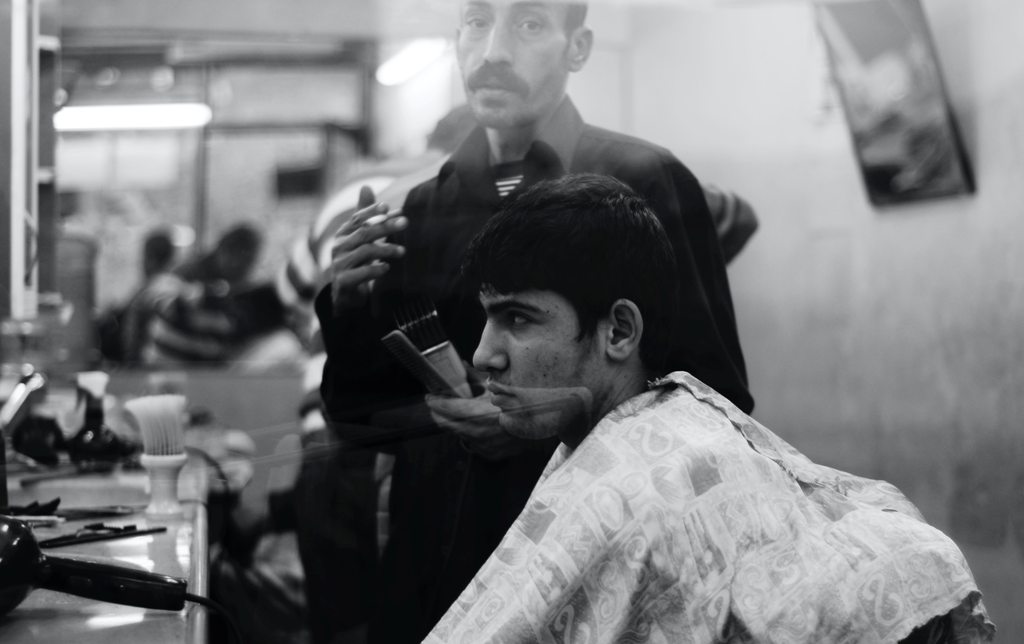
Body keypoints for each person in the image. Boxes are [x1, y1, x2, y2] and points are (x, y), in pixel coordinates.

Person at [318, 2, 752, 641]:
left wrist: (540, 421)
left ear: (578, 48)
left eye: (526, 24)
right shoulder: (419, 210)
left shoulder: (642, 183)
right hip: (436, 570)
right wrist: (349, 306)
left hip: (594, 571)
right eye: (475, 22)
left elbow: (718, 403)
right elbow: (357, 416)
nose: (493, 50)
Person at [426, 173, 995, 644]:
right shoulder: (668, 411)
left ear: (619, 331)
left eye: (518, 319)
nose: (483, 355)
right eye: (487, 318)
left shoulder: (637, 490)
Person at [143, 223, 286, 366]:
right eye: (243, 260)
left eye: (251, 262)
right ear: (224, 251)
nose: (244, 269)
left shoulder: (238, 293)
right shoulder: (187, 277)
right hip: (166, 369)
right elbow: (156, 297)